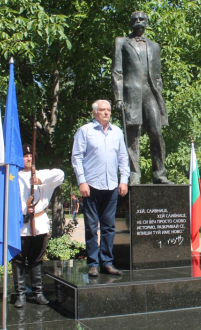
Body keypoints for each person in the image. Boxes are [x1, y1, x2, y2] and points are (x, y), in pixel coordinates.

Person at [112, 11, 172, 185]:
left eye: (142, 19)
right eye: (135, 20)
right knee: (132, 136)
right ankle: (134, 174)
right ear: (131, 23)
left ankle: (160, 174)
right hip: (131, 94)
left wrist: (158, 91)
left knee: (156, 133)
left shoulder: (155, 46)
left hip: (150, 93)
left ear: (147, 23)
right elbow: (117, 71)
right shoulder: (121, 42)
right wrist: (118, 97)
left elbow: (157, 74)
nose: (139, 22)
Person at [71, 100, 130, 276]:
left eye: (109, 110)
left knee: (109, 227)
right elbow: (76, 158)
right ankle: (93, 264)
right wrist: (81, 181)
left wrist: (124, 180)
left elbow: (123, 158)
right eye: (103, 110)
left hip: (111, 185)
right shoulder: (85, 131)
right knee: (90, 226)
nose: (106, 113)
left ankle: (107, 262)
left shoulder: (117, 132)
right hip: (91, 186)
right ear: (95, 112)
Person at [13, 144, 64, 308]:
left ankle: (38, 292)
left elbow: (60, 175)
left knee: (37, 259)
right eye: (25, 156)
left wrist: (40, 180)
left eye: (31, 156)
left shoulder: (42, 174)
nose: (28, 158)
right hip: (21, 224)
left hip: (40, 224)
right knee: (19, 260)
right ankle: (20, 294)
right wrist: (23, 209)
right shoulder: (13, 176)